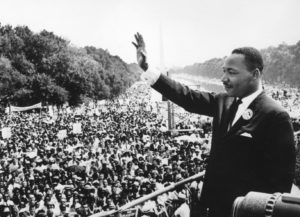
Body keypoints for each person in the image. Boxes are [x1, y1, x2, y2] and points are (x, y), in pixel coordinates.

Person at [132, 33, 296, 217]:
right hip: (210, 207)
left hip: (242, 211)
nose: (223, 78)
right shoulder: (223, 101)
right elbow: (187, 97)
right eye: (224, 71)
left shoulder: (276, 115)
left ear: (255, 74)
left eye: (231, 72)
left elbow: (280, 185)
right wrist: (147, 68)